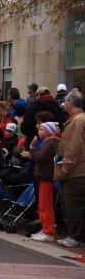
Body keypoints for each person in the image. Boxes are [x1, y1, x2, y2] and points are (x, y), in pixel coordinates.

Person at [54, 92, 85, 248]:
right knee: (75, 205)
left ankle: (76, 236)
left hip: (76, 172)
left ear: (71, 103)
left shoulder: (77, 122)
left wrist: (64, 171)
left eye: (65, 102)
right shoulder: (79, 120)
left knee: (73, 206)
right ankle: (75, 235)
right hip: (78, 170)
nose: (63, 104)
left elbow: (73, 149)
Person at [26, 122, 61, 242]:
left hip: (46, 176)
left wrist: (31, 151)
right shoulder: (49, 142)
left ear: (48, 131)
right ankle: (45, 228)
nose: (39, 131)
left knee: (45, 205)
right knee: (42, 205)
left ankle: (48, 231)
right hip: (44, 176)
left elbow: (40, 158)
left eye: (41, 129)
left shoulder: (50, 142)